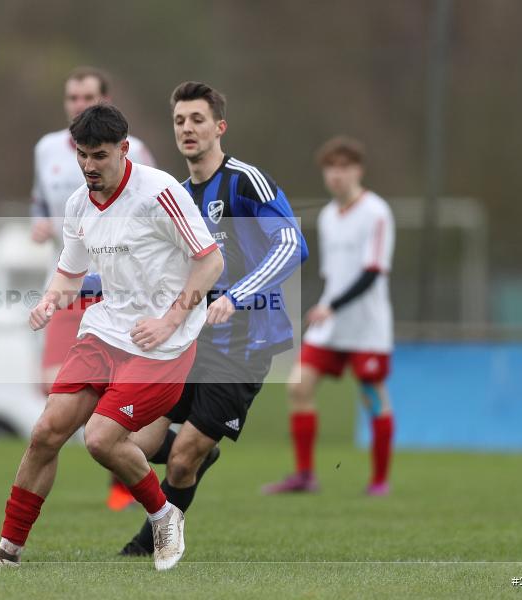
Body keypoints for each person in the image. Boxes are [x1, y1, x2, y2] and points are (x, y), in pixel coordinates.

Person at [0, 104, 223, 571]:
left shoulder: (160, 192)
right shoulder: (77, 205)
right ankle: (8, 551)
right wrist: (49, 300)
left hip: (162, 344)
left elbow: (210, 262)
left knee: (100, 440)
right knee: (46, 433)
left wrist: (170, 321)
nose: (89, 166)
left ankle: (164, 515)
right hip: (106, 332)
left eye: (99, 155)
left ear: (124, 150)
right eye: (82, 156)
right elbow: (69, 273)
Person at [119, 81, 307, 556]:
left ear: (219, 127)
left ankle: (151, 541)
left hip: (242, 346)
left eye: (198, 119)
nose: (187, 128)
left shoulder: (245, 181)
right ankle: (206, 446)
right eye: (180, 120)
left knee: (181, 462)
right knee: (124, 441)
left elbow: (291, 244)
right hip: (188, 343)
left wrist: (236, 296)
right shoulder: (177, 195)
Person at [30, 66, 155, 511]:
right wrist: (39, 225)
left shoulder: (134, 150)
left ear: (103, 100)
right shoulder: (46, 149)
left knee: (111, 401)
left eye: (87, 97)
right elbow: (40, 202)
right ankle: (117, 448)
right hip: (69, 284)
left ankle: (123, 463)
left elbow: (151, 209)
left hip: (117, 290)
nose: (78, 104)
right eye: (72, 97)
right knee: (47, 388)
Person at [262, 136, 396, 497]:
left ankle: (379, 481)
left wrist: (331, 306)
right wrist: (324, 306)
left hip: (367, 327)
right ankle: (305, 475)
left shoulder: (376, 212)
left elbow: (372, 273)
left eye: (344, 167)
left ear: (358, 171)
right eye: (330, 168)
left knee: (373, 397)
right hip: (330, 324)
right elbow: (333, 275)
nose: (337, 175)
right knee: (298, 386)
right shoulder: (327, 217)